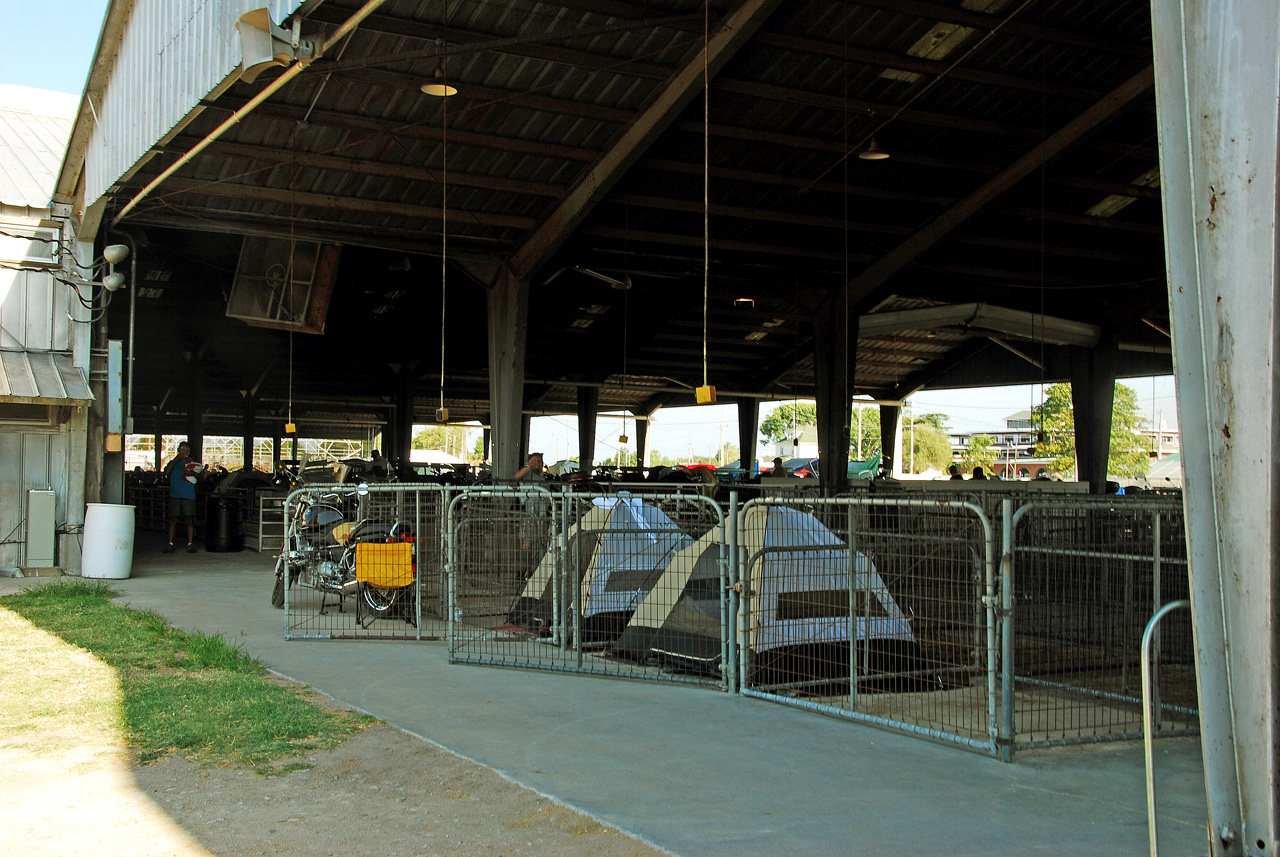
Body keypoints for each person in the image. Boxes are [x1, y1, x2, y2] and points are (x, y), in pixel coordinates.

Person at [162, 441, 200, 553]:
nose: (183, 450)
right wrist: (176, 459)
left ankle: (190, 543)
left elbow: (200, 476)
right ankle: (170, 543)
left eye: (185, 448)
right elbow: (166, 472)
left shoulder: (192, 462)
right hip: (175, 494)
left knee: (189, 519)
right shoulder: (173, 462)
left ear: (188, 450)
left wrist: (194, 474)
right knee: (173, 519)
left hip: (188, 494)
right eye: (181, 448)